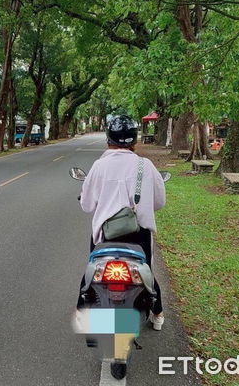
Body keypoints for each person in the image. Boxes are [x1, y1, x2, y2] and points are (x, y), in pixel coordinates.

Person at [78, 115, 166, 330]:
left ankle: (82, 309)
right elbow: (159, 202)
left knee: (93, 271)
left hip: (106, 235)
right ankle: (158, 313)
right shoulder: (145, 166)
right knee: (147, 274)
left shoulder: (99, 167)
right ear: (134, 141)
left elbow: (87, 206)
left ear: (109, 139)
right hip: (140, 234)